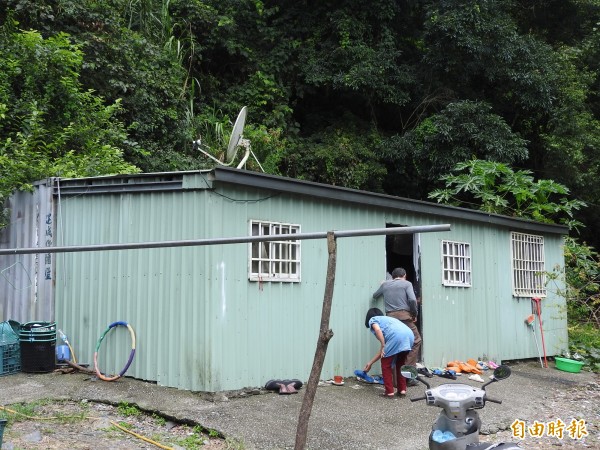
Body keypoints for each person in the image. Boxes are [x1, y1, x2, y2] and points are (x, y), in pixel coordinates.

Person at [372, 267, 422, 373]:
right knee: (416, 340)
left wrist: (384, 285)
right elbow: (413, 299)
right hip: (404, 317)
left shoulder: (385, 285)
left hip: (390, 319)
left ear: (393, 277)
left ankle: (395, 375)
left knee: (395, 344)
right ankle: (407, 371)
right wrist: (414, 313)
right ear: (404, 276)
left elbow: (375, 296)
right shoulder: (407, 284)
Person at [363, 307, 414, 398]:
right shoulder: (389, 321)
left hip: (397, 337)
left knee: (386, 364)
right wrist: (370, 363)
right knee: (400, 364)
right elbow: (383, 351)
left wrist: (382, 344)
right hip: (409, 336)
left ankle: (389, 392)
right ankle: (402, 390)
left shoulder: (373, 319)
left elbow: (377, 330)